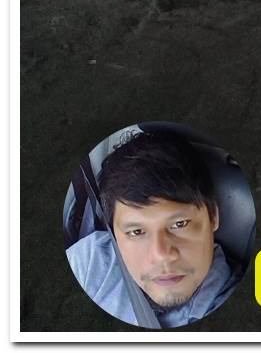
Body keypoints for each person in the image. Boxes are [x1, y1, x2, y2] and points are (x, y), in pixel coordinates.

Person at [66, 129, 236, 328]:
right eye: (136, 232)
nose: (161, 255)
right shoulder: (91, 262)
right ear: (114, 234)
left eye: (179, 224)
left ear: (213, 216)